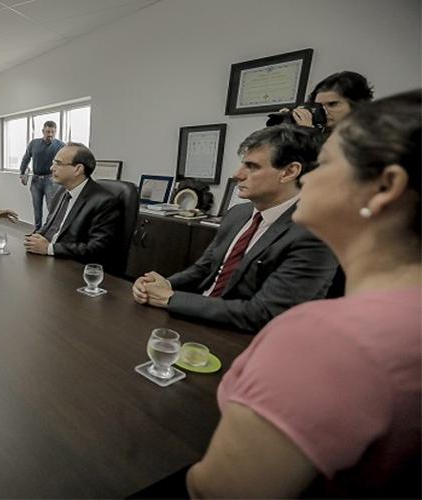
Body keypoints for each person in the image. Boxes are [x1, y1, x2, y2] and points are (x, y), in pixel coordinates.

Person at [187, 90, 421, 498]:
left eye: (326, 164)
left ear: (385, 186)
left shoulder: (323, 338)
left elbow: (216, 492)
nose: (308, 177)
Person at [132, 125, 337, 333]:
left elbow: (264, 314)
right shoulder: (238, 213)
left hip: (243, 337)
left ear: (290, 172)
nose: (237, 174)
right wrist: (163, 284)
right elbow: (204, 268)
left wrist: (172, 298)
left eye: (252, 166)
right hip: (198, 318)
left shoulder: (316, 233)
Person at [24, 142, 121, 270]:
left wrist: (49, 248)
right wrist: (35, 239)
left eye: (58, 163)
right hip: (49, 261)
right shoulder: (61, 192)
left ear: (78, 169)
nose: (51, 168)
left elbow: (97, 249)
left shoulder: (105, 201)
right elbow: (50, 225)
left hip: (75, 269)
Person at [288, 71, 374, 132]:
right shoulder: (321, 132)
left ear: (358, 105)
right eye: (319, 106)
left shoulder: (371, 137)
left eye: (332, 104)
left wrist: (307, 132)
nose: (323, 111)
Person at [20, 120, 65, 231]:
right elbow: (26, 158)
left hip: (52, 181)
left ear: (56, 132)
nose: (50, 134)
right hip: (36, 180)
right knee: (37, 207)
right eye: (48, 131)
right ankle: (37, 230)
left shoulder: (61, 145)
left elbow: (65, 163)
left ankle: (51, 232)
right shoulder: (34, 143)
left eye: (53, 132)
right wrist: (22, 173)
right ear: (43, 131)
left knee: (52, 208)